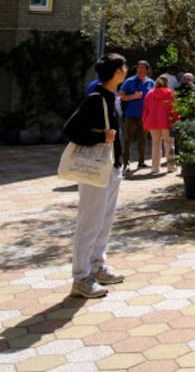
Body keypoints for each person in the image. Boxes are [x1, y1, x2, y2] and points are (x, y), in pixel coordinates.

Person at [67, 52, 129, 298]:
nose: (127, 71)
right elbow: (71, 130)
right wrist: (101, 138)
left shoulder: (113, 97)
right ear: (116, 72)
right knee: (89, 223)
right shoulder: (95, 98)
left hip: (112, 168)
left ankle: (97, 265)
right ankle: (80, 277)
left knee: (104, 220)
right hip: (95, 169)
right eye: (125, 67)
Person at [118, 60, 154, 174]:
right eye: (138, 67)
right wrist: (133, 96)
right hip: (131, 115)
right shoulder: (129, 81)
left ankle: (141, 161)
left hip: (145, 116)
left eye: (142, 68)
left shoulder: (151, 83)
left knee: (143, 139)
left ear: (147, 70)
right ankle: (126, 163)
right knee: (128, 140)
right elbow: (121, 96)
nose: (140, 70)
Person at [142, 74, 178, 174]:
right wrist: (176, 119)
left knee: (155, 145)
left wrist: (144, 121)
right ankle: (171, 167)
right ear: (167, 83)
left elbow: (145, 110)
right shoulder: (170, 93)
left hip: (153, 122)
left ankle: (155, 168)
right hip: (167, 122)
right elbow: (174, 109)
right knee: (169, 145)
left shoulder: (149, 94)